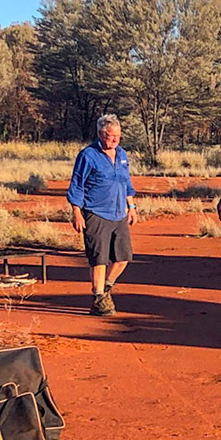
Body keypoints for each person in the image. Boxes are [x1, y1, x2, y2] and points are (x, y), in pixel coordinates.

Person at [67, 113, 138, 315]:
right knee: (99, 258)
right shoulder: (87, 156)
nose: (115, 139)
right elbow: (77, 185)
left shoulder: (122, 154)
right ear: (100, 134)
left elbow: (126, 183)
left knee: (123, 257)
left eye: (118, 135)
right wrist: (77, 213)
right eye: (110, 136)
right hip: (96, 212)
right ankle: (98, 298)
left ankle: (106, 287)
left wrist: (131, 207)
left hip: (119, 214)